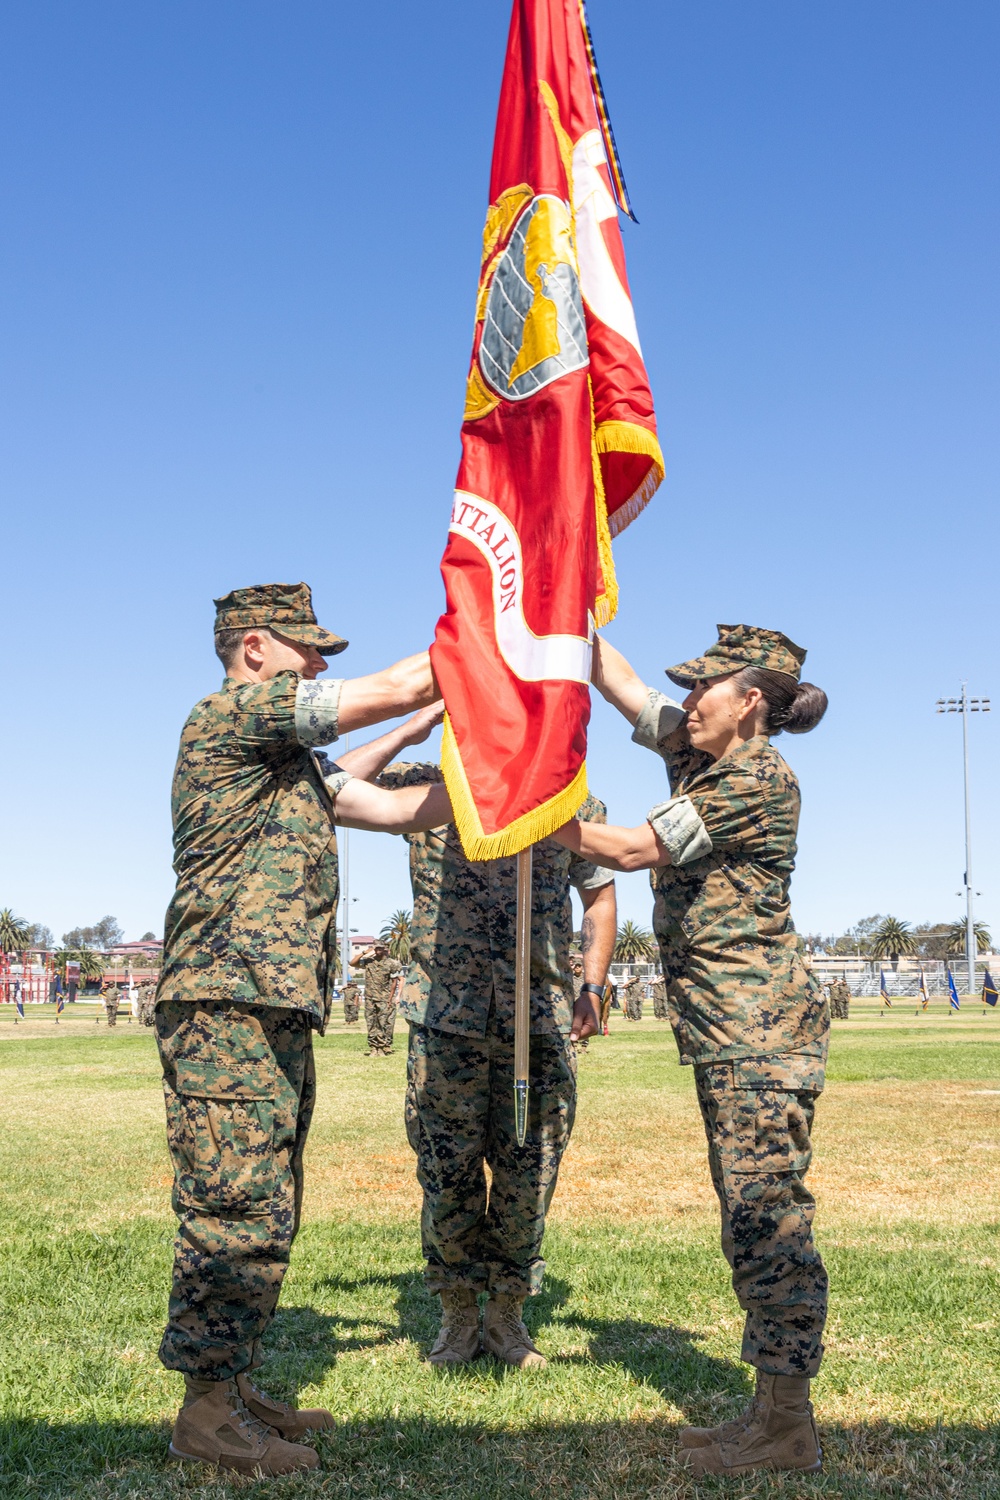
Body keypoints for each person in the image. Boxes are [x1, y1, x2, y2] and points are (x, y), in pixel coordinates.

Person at [154, 582, 451, 1475]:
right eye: (305, 648)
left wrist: (495, 771)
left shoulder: (288, 770)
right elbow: (394, 688)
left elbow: (402, 810)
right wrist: (500, 653)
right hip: (222, 1001)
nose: (320, 663)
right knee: (232, 1204)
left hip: (273, 1007)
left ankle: (234, 1382)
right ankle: (204, 1413)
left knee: (270, 1203)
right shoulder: (231, 717)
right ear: (254, 648)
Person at [554, 625, 830, 1478]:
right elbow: (626, 685)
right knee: (745, 1212)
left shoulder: (754, 777)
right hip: (727, 1030)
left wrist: (525, 807)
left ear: (749, 701)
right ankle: (769, 1412)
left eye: (705, 688)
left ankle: (786, 1422)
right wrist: (571, 615)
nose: (689, 702)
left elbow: (631, 850)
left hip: (759, 1030)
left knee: (766, 1214)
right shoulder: (707, 756)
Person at [375, 760, 616, 1369]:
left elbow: (600, 893)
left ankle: (507, 1314)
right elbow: (343, 783)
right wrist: (430, 710)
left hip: (537, 1020)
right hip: (447, 1018)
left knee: (527, 1176)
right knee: (446, 1175)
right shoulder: (428, 787)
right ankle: (458, 1315)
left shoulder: (571, 800)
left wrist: (593, 985)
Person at [352, 942, 404, 1055]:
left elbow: (395, 981)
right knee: (370, 1023)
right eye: (375, 948)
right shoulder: (369, 961)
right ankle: (373, 1047)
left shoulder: (392, 964)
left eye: (380, 948)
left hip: (384, 998)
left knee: (382, 1023)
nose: (377, 950)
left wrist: (391, 998)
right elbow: (352, 963)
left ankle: (381, 1047)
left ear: (385, 949)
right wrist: (363, 953)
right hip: (370, 998)